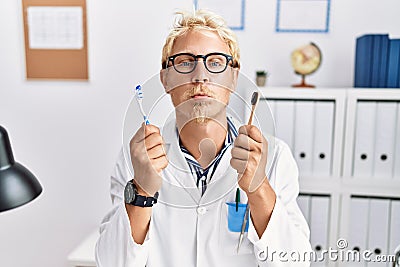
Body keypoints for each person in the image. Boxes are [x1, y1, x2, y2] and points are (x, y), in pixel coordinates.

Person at [95, 9, 312, 266]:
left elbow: (295, 262)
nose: (201, 76)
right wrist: (141, 190)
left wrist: (259, 189)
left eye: (216, 62)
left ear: (233, 77)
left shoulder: (275, 157)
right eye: (185, 62)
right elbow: (111, 263)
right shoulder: (137, 157)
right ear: (165, 79)